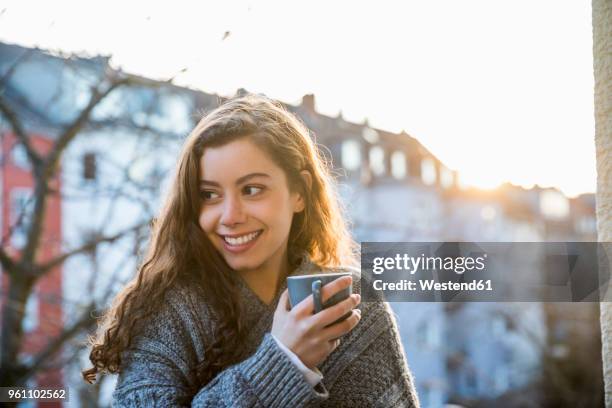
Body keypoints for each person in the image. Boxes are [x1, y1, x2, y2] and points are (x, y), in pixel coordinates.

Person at [83, 94, 420, 407]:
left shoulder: (353, 303)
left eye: (252, 189)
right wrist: (284, 361)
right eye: (209, 194)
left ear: (299, 192)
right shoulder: (165, 314)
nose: (230, 216)